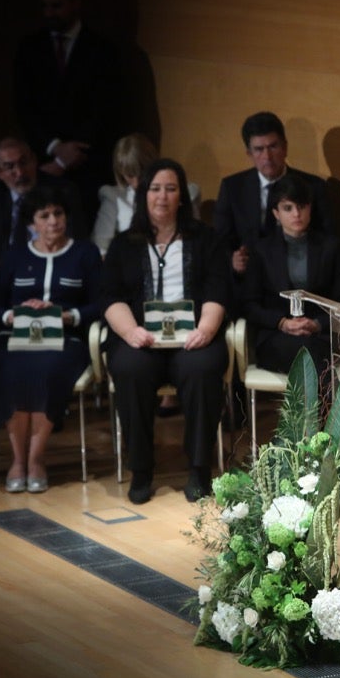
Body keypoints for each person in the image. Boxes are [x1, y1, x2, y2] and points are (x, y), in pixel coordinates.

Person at [102, 158, 230, 505]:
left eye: (171, 189)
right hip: (139, 337)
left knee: (202, 369)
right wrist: (130, 332)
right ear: (143, 195)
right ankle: (141, 469)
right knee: (130, 368)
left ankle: (199, 469)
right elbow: (110, 296)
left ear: (182, 196)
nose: (162, 196)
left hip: (193, 336)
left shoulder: (207, 239)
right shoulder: (123, 244)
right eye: (155, 189)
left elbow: (218, 288)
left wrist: (205, 329)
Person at [0, 186, 103, 493]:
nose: (53, 222)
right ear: (31, 223)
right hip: (16, 337)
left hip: (65, 340)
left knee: (47, 369)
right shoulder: (15, 256)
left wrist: (67, 315)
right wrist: (14, 315)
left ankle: (36, 460)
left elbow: (101, 303)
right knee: (9, 369)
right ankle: (17, 460)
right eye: (44, 215)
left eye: (58, 213)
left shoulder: (85, 253)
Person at [14, 0, 130, 222]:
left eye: (56, 6)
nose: (49, 13)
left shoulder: (103, 51)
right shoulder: (29, 48)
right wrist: (54, 148)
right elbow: (24, 106)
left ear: (76, 3)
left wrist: (68, 159)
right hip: (42, 165)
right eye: (44, 6)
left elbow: (107, 111)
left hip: (88, 169)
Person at [242, 174, 340, 375]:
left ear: (310, 208)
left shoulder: (330, 247)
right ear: (275, 213)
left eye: (302, 206)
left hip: (321, 335)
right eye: (288, 208)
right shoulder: (262, 251)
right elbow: (250, 305)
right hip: (276, 337)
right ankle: (329, 406)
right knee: (308, 356)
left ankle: (315, 407)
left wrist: (317, 324)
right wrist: (282, 322)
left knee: (311, 352)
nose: (296, 214)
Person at [214, 111, 331, 280]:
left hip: (298, 279)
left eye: (273, 147)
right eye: (259, 150)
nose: (267, 157)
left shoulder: (313, 187)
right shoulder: (233, 188)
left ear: (285, 147)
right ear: (249, 154)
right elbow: (219, 242)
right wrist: (231, 260)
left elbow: (328, 240)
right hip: (249, 279)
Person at [0, 137, 86, 289]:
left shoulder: (63, 191)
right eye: (10, 167)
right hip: (4, 277)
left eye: (23, 162)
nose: (19, 172)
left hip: (51, 272)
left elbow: (77, 241)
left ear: (34, 160)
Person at [92, 133, 201, 257]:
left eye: (142, 172)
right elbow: (101, 250)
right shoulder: (112, 196)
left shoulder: (185, 193)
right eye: (130, 175)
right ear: (121, 173)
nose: (138, 182)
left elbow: (195, 242)